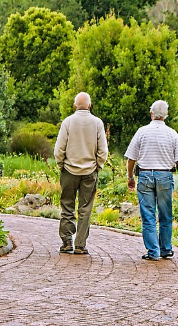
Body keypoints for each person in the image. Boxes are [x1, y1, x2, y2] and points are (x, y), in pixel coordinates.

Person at [125, 100, 178, 261]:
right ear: (166, 115)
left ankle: (153, 251)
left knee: (148, 215)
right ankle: (165, 249)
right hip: (165, 175)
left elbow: (131, 159)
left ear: (151, 113)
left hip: (145, 174)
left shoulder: (142, 132)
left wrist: (130, 177)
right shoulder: (172, 134)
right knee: (165, 214)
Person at [54, 92, 108, 254]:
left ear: (74, 105)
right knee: (85, 209)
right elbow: (103, 150)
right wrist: (98, 166)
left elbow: (59, 149)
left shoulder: (68, 122)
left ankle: (66, 241)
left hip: (69, 170)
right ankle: (80, 244)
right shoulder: (97, 123)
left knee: (67, 205)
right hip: (89, 171)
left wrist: (61, 165)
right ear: (89, 105)